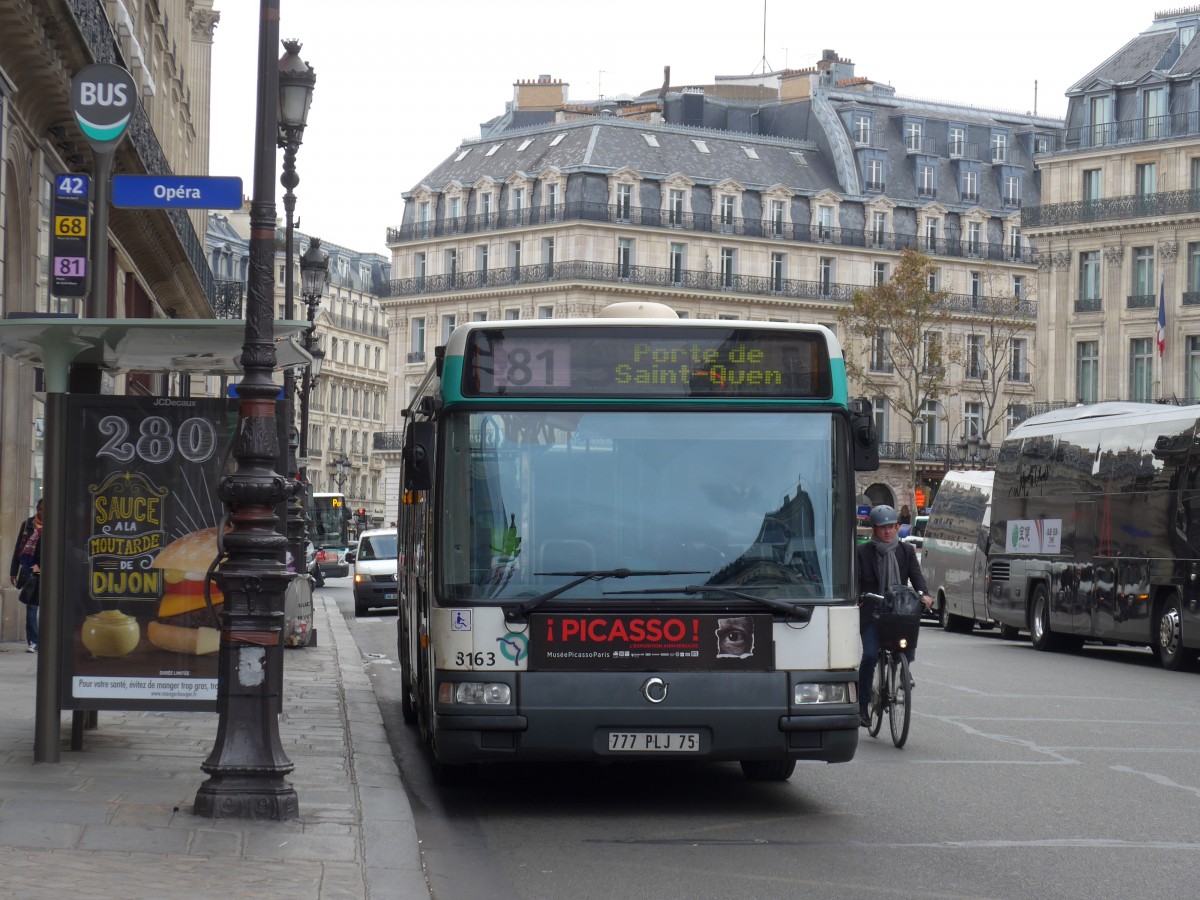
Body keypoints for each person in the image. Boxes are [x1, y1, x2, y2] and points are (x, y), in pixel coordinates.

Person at [856, 503, 933, 727]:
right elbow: (857, 581)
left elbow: (917, 578)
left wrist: (925, 595)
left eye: (892, 526)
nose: (888, 531)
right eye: (883, 528)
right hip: (872, 613)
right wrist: (858, 597)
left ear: (898, 527)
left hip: (897, 613)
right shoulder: (863, 552)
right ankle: (863, 706)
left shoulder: (906, 551)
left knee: (906, 647)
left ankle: (902, 670)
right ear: (874, 530)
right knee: (870, 655)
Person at [9, 498, 42, 652]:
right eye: (41, 509)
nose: (43, 512)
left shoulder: (55, 524)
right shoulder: (27, 525)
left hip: (48, 569)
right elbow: (19, 548)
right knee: (32, 606)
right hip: (30, 569)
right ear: (37, 509)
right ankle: (33, 641)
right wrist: (13, 571)